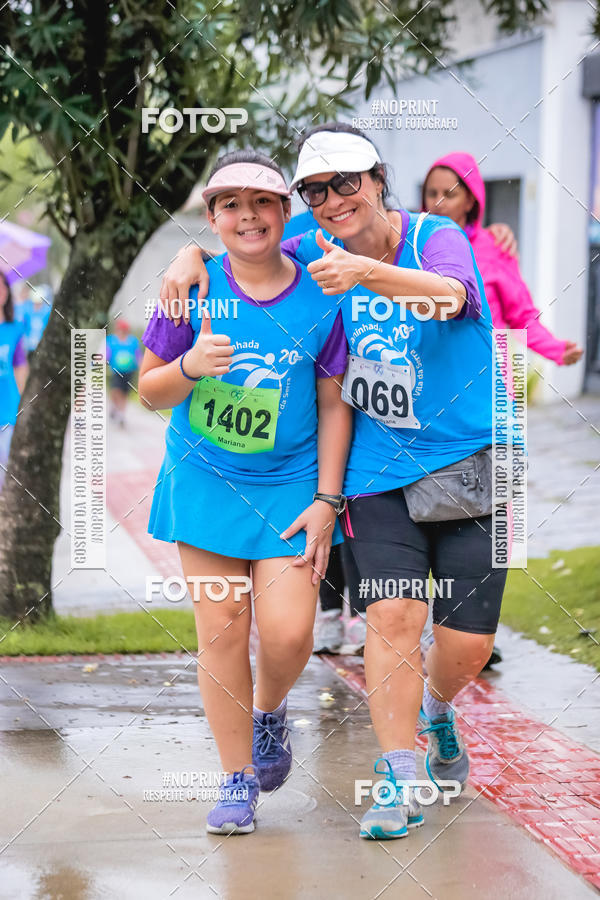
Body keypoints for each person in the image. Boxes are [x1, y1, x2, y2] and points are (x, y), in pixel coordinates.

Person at [159, 124, 510, 842]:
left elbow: (451, 298)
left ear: (379, 179)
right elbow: (242, 239)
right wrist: (185, 255)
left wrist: (362, 272)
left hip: (481, 457)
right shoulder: (306, 244)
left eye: (346, 182)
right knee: (392, 616)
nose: (333, 199)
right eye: (316, 189)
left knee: (469, 645)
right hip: (374, 470)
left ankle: (438, 708)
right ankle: (395, 777)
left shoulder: (436, 235)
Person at [139, 150, 352, 835]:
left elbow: (333, 403)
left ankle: (268, 712)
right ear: (212, 217)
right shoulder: (190, 288)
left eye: (262, 202)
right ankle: (237, 779)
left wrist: (327, 500)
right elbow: (148, 389)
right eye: (230, 204)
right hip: (205, 481)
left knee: (289, 633)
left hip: (289, 485)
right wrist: (189, 366)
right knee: (223, 629)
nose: (248, 216)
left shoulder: (322, 290)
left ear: (284, 213)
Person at [422, 153, 584, 367]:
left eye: (449, 194)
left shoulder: (496, 247)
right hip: (432, 374)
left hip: (489, 375)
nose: (438, 202)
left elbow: (521, 314)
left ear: (470, 201)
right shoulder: (413, 248)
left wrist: (555, 348)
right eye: (432, 193)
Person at [0, 272, 28, 491]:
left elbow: (20, 369)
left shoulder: (15, 329)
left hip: (8, 411)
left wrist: (24, 405)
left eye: (2, 286)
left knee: (5, 473)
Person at [106, 319, 142, 427]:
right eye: (119, 329)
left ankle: (121, 414)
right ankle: (114, 406)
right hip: (116, 371)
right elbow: (106, 353)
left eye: (123, 330)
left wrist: (142, 367)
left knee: (124, 393)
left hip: (129, 371)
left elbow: (138, 355)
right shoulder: (111, 340)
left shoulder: (132, 341)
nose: (121, 331)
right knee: (115, 390)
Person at [23, 283, 52, 359]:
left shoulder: (46, 311)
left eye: (39, 303)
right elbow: (24, 327)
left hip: (42, 346)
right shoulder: (27, 311)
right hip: (29, 346)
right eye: (35, 302)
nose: (37, 305)